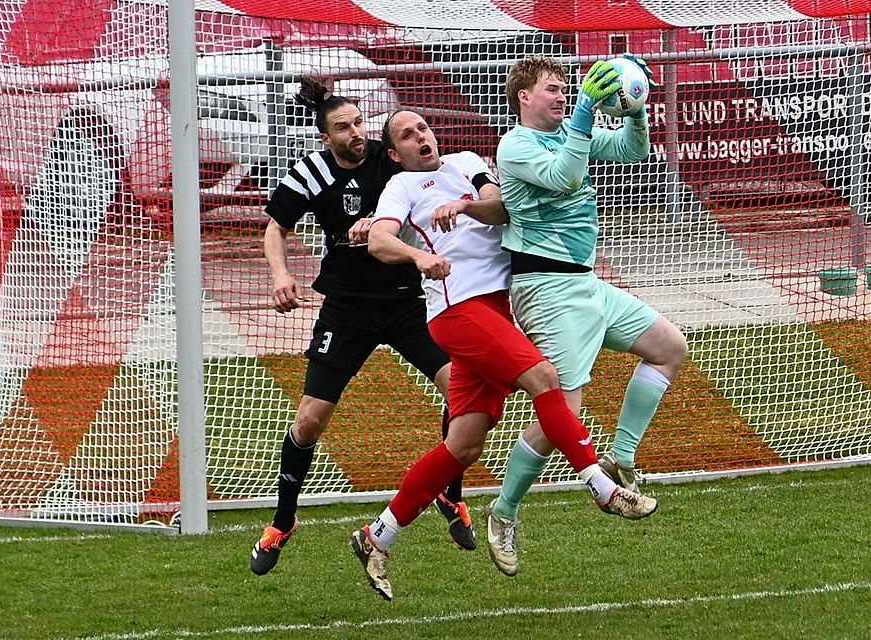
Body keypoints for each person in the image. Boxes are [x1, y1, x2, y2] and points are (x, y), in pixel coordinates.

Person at [350, 108, 657, 601]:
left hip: (495, 308)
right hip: (458, 311)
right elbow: (380, 241)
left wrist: (466, 205)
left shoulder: (466, 162)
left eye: (422, 128)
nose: (420, 137)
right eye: (406, 135)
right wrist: (420, 256)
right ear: (394, 154)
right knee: (544, 378)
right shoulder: (401, 187)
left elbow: (500, 207)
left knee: (463, 446)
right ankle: (603, 488)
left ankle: (377, 535)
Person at [249, 79, 475, 577]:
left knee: (462, 393)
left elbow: (424, 185)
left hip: (407, 301)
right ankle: (282, 522)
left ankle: (450, 493)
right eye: (343, 128)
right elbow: (275, 228)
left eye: (359, 122)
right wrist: (281, 275)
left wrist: (380, 220)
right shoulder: (311, 171)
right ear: (325, 137)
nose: (356, 133)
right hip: (347, 309)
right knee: (310, 420)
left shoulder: (387, 158)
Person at [486, 55, 688, 576]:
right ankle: (503, 512)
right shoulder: (516, 145)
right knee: (560, 418)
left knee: (668, 347)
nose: (561, 95)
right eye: (551, 89)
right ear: (523, 98)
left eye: (564, 89)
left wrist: (636, 111)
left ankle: (621, 457)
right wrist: (581, 112)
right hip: (546, 289)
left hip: (584, 282)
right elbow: (565, 176)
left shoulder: (568, 131)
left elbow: (632, 151)